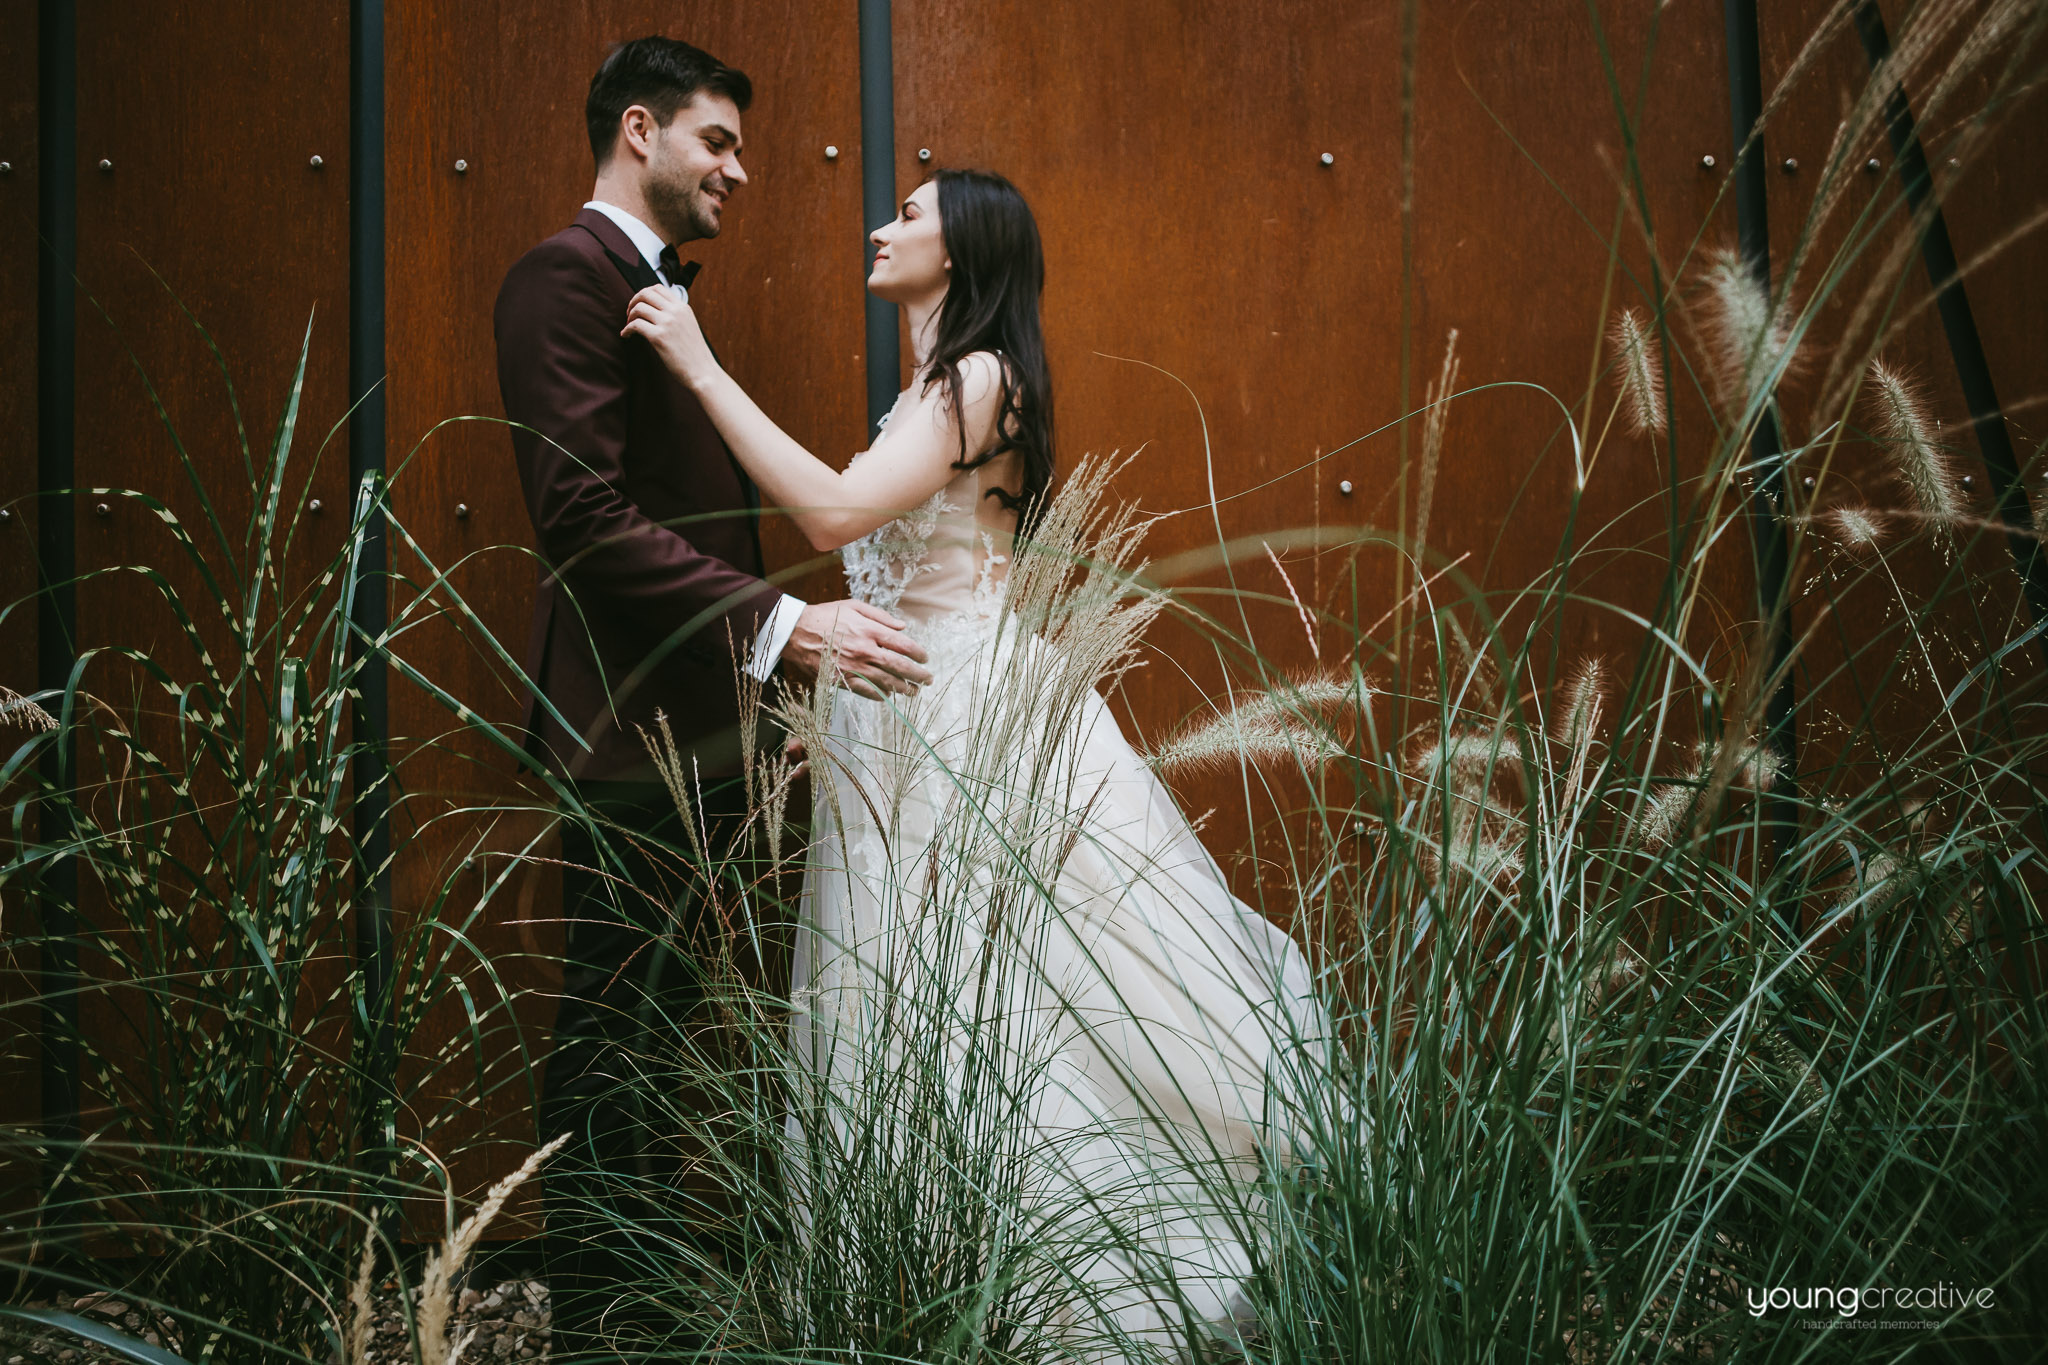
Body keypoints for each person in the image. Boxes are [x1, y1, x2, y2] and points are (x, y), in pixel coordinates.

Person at [622, 168, 1325, 1356]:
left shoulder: (977, 376)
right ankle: (950, 1273)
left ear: (963, 249)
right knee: (926, 1001)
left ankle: (1086, 1280)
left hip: (962, 714)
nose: (882, 224)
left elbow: (835, 516)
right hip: (898, 714)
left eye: (910, 213)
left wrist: (697, 364)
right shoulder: (932, 387)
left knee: (1028, 997)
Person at [492, 36, 932, 1359]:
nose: (739, 169)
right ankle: (602, 1325)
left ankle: (634, 1306)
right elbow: (581, 515)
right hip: (629, 733)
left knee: (657, 1023)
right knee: (612, 1024)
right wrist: (785, 625)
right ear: (641, 129)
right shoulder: (563, 279)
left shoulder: (655, 293)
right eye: (718, 142)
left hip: (693, 732)